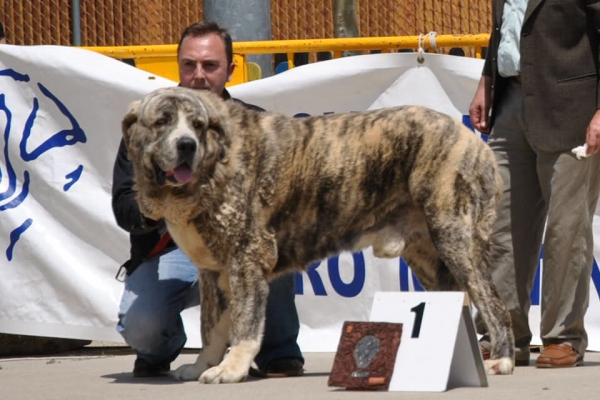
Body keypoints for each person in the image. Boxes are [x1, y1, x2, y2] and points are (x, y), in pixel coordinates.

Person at [112, 21, 304, 378]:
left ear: (230, 70)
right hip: (175, 251)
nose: (198, 75)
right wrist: (161, 200)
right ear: (179, 65)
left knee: (271, 245)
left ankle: (278, 351)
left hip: (241, 248)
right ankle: (162, 347)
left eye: (210, 65)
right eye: (189, 65)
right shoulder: (147, 123)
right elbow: (124, 206)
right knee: (142, 327)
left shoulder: (257, 124)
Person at [469, 0, 600, 368]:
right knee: (500, 226)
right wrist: (486, 80)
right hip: (510, 100)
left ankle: (563, 337)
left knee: (566, 228)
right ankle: (502, 335)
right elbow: (504, 30)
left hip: (572, 106)